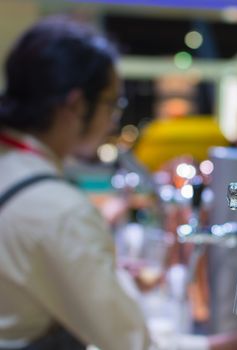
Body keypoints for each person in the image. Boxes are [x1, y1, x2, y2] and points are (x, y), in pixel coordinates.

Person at [0, 17, 151, 349]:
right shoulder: (59, 211)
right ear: (76, 104)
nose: (113, 119)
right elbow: (130, 342)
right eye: (112, 103)